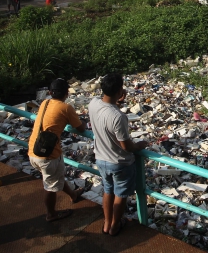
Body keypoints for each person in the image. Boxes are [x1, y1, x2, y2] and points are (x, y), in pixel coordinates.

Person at [89, 73, 148, 236]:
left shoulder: (93, 104)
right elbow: (126, 146)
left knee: (108, 191)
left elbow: (105, 111)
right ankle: (115, 226)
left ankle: (106, 224)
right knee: (120, 194)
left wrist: (117, 102)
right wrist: (139, 146)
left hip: (100, 158)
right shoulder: (118, 116)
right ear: (119, 91)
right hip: (119, 163)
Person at [28, 78, 86, 222]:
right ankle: (51, 214)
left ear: (50, 92)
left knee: (57, 176)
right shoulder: (66, 108)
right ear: (67, 93)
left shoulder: (45, 103)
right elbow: (81, 128)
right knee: (50, 186)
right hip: (48, 156)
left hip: (33, 150)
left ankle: (73, 195)